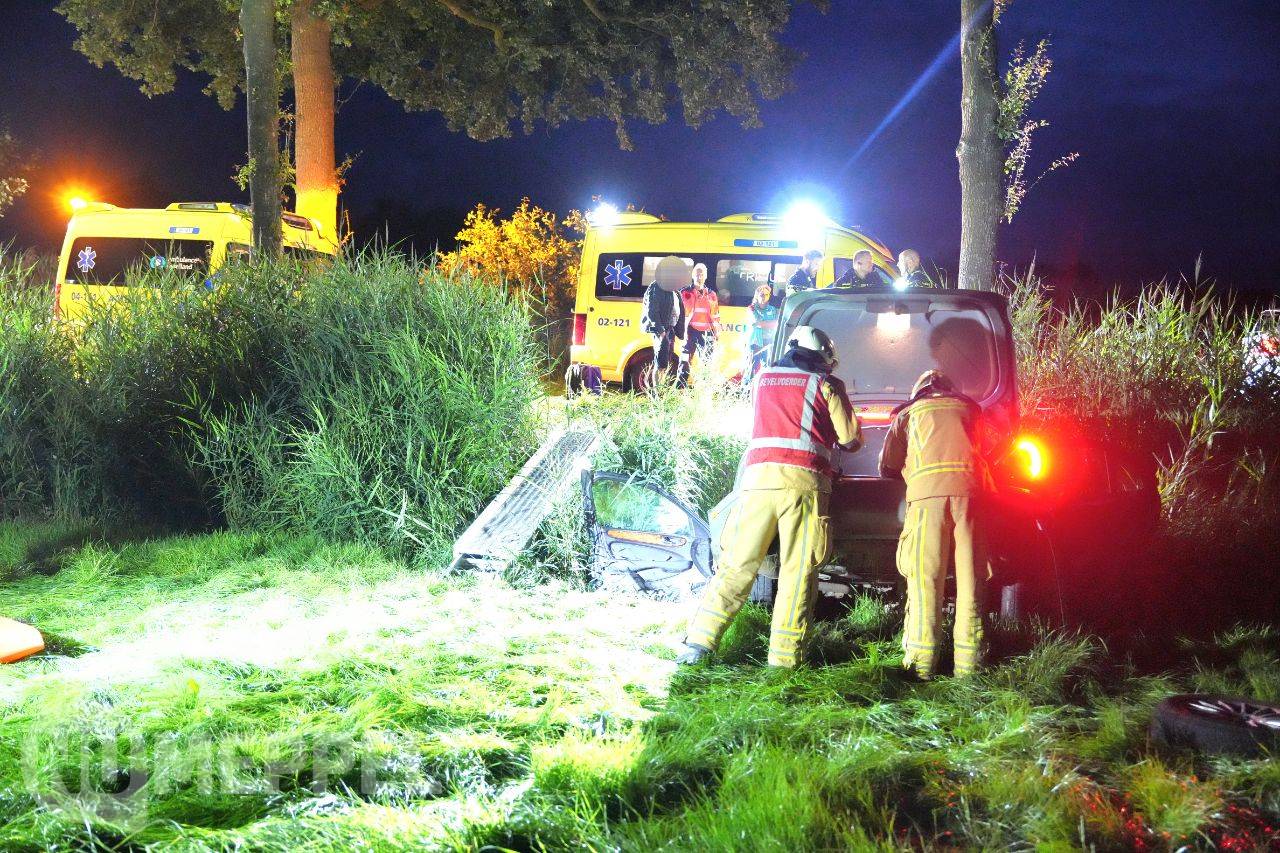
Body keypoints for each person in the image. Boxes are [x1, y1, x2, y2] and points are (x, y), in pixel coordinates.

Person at [678, 326, 862, 667]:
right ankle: (783, 661)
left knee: (737, 565)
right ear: (823, 357)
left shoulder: (763, 378)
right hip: (804, 487)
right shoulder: (825, 383)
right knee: (797, 571)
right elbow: (850, 439)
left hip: (757, 484)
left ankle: (698, 643)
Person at [878, 370, 988, 679]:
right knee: (971, 583)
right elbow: (986, 453)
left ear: (920, 392)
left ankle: (921, 667)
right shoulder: (971, 410)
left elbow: (888, 465)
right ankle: (970, 669)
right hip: (970, 500)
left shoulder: (909, 412)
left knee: (925, 580)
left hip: (927, 501)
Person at [675, 263, 719, 388]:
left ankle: (702, 390)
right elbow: (677, 313)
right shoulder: (684, 292)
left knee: (706, 363)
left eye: (702, 274)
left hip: (707, 333)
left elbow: (716, 315)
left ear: (706, 276)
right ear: (693, 275)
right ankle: (680, 389)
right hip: (690, 331)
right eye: (697, 273)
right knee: (684, 360)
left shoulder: (712, 294)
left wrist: (717, 333)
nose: (700, 276)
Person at [640, 270, 681, 383]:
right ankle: (657, 392)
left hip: (669, 330)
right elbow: (652, 311)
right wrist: (661, 331)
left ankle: (661, 390)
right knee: (660, 363)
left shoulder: (674, 290)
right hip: (662, 330)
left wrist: (679, 332)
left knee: (666, 361)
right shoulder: (657, 286)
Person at [744, 283, 780, 380]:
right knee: (751, 369)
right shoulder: (751, 308)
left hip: (768, 342)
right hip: (755, 343)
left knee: (767, 369)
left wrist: (765, 323)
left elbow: (777, 323)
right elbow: (757, 323)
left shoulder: (773, 309)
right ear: (757, 295)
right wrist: (770, 323)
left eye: (767, 295)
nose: (764, 297)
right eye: (762, 295)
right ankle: (747, 390)